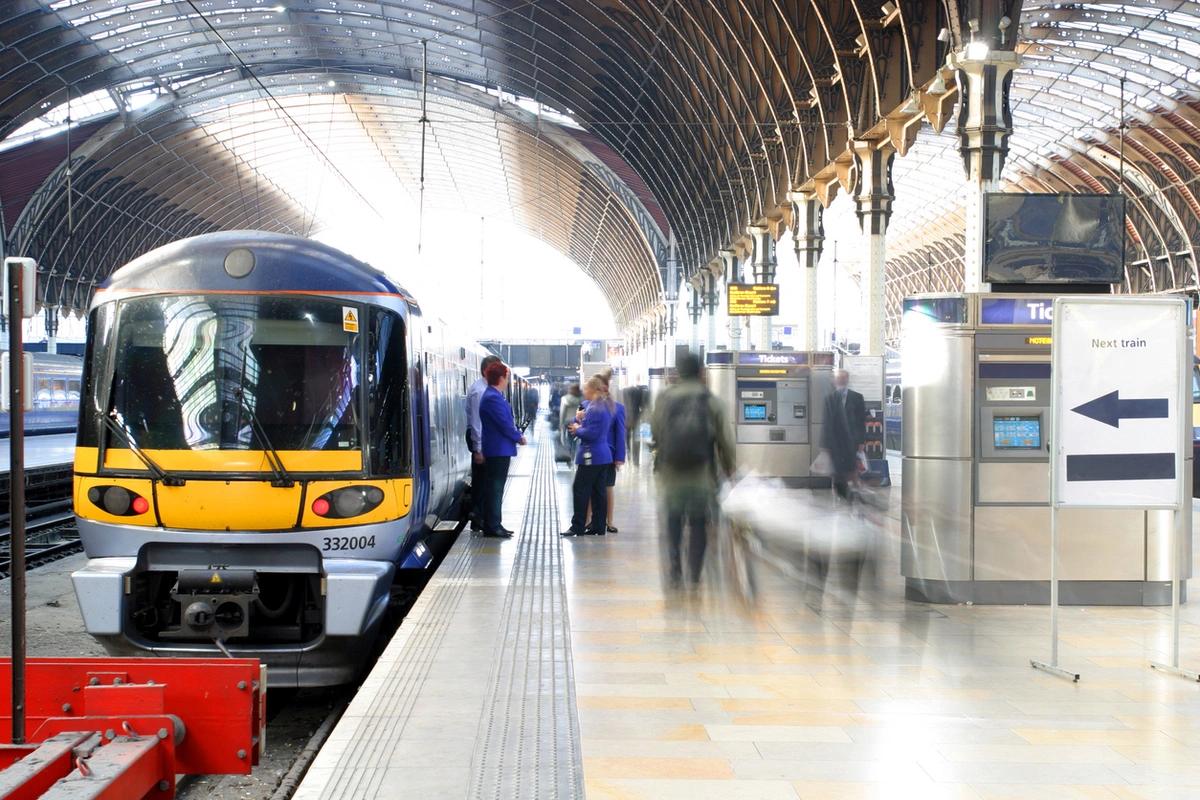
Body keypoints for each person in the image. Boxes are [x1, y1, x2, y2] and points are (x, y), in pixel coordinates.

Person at [651, 352, 735, 588]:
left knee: (673, 522)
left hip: (671, 475)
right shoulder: (711, 400)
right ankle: (695, 574)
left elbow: (656, 433)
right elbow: (725, 442)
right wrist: (729, 470)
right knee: (699, 524)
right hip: (702, 476)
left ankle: (675, 570)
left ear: (678, 371)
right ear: (701, 372)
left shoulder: (665, 399)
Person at [562, 376, 615, 537]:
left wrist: (577, 429)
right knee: (598, 491)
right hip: (602, 456)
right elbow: (589, 424)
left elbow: (592, 433)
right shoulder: (601, 406)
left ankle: (577, 526)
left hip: (591, 455)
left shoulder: (595, 408)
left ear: (593, 390)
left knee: (580, 489)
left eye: (586, 389)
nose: (583, 392)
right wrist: (578, 420)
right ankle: (598, 526)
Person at [478, 361, 527, 537]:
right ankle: (493, 525)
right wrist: (518, 437)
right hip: (498, 449)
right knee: (496, 488)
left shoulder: (493, 396)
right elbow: (504, 424)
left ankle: (493, 523)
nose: (507, 381)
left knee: (495, 487)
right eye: (506, 377)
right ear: (501, 378)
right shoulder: (492, 398)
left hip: (497, 448)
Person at [466, 354, 503, 531]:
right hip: (480, 440)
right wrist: (478, 448)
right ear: (486, 371)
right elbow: (476, 422)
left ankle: (483, 518)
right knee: (482, 482)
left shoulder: (486, 389)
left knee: (485, 481)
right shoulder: (480, 391)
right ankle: (479, 518)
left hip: (485, 439)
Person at [820, 369, 866, 500]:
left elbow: (861, 421)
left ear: (847, 380)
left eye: (843, 378)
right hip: (835, 442)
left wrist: (862, 442)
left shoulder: (857, 398)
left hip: (852, 441)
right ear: (835, 381)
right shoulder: (829, 399)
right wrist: (825, 444)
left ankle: (856, 494)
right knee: (838, 471)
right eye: (839, 378)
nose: (841, 380)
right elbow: (827, 422)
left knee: (852, 470)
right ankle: (843, 495)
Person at [591, 369, 625, 533]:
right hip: (591, 453)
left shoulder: (618, 408)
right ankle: (589, 520)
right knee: (590, 488)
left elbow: (620, 434)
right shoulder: (586, 406)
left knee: (608, 488)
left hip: (609, 455)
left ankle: (609, 521)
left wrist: (619, 457)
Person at [623, 384, 648, 467]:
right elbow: (643, 406)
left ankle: (628, 456)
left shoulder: (624, 391)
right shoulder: (640, 392)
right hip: (636, 417)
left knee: (627, 437)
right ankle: (636, 461)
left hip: (626, 417)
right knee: (636, 440)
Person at [558, 384, 582, 458]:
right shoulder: (581, 399)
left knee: (568, 439)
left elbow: (562, 412)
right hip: (578, 422)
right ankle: (575, 454)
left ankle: (570, 454)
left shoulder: (565, 398)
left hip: (568, 421)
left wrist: (561, 424)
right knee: (576, 439)